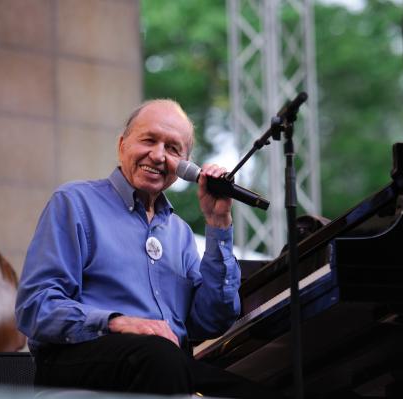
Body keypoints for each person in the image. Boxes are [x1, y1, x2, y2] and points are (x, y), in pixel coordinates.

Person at [15, 99, 283, 398]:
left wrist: (218, 223)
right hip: (78, 360)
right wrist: (118, 322)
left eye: (172, 149)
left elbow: (212, 321)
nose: (158, 156)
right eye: (149, 140)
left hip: (164, 366)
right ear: (122, 145)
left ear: (184, 165)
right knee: (159, 357)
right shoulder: (75, 202)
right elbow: (35, 307)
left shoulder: (179, 232)